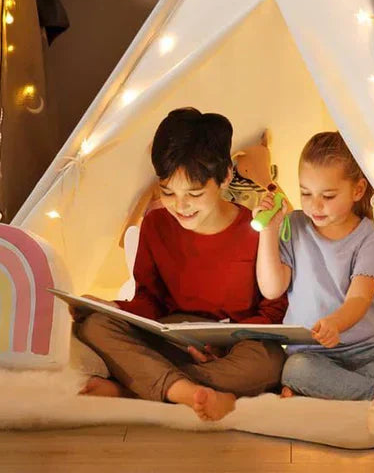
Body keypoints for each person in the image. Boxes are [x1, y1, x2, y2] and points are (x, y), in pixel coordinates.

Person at [76, 108, 287, 421]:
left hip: (237, 344)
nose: (180, 206)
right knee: (94, 325)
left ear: (226, 176)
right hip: (175, 337)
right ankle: (184, 392)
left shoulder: (256, 229)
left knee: (270, 363)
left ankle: (136, 389)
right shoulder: (156, 224)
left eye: (195, 193)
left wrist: (223, 345)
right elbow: (150, 300)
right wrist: (113, 307)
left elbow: (273, 311)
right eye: (168, 192)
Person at [255, 131, 374, 402]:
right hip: (313, 352)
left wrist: (335, 324)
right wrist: (268, 230)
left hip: (367, 347)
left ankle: (336, 390)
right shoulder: (295, 226)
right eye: (305, 193)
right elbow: (271, 288)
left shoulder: (370, 235)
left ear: (357, 190)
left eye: (328, 195)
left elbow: (360, 297)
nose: (315, 205)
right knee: (296, 370)